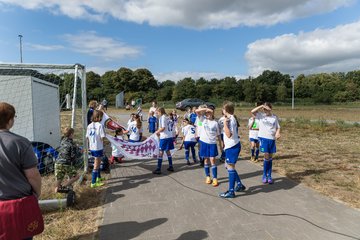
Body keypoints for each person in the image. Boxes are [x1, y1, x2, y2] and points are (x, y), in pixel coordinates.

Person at [0, 102, 43, 239]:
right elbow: (33, 175)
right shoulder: (20, 142)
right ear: (10, 119)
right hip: (18, 204)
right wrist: (37, 193)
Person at [219, 101, 246, 198]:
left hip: (232, 146)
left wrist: (225, 124)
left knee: (230, 168)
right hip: (232, 146)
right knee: (228, 166)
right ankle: (239, 184)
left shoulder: (230, 120)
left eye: (223, 108)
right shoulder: (232, 118)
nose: (222, 110)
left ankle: (231, 192)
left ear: (226, 110)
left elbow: (228, 134)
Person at [251, 102, 281, 184]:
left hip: (271, 139)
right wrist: (261, 106)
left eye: (267, 109)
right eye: (264, 109)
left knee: (270, 157)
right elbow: (252, 111)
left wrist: (278, 133)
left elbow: (278, 127)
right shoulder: (261, 115)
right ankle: (264, 175)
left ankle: (269, 175)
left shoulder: (274, 117)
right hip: (263, 138)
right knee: (266, 155)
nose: (265, 110)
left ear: (270, 108)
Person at [195, 106, 222, 187]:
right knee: (206, 160)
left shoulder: (215, 123)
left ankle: (215, 178)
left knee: (213, 160)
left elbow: (218, 135)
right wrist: (206, 109)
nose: (208, 114)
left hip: (212, 143)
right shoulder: (203, 119)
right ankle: (208, 176)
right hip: (204, 142)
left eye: (209, 112)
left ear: (212, 113)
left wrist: (221, 145)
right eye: (207, 113)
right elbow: (197, 111)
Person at [54, 127, 80, 193]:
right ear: (71, 134)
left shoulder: (62, 140)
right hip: (66, 163)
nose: (74, 135)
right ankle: (65, 186)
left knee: (59, 180)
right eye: (73, 134)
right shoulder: (72, 145)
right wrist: (79, 151)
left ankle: (57, 194)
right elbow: (73, 156)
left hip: (57, 163)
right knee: (76, 176)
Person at [86, 110, 106, 188]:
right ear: (98, 117)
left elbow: (87, 137)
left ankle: (98, 178)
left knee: (98, 162)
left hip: (92, 147)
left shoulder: (89, 125)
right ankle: (93, 182)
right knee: (96, 164)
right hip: (98, 147)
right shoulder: (100, 125)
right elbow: (102, 137)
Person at [153, 107, 174, 174]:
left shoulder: (162, 117)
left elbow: (163, 127)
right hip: (169, 136)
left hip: (164, 137)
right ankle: (171, 166)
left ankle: (158, 168)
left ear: (160, 112)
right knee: (168, 151)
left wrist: (157, 132)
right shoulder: (167, 117)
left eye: (157, 112)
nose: (156, 113)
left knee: (161, 152)